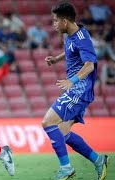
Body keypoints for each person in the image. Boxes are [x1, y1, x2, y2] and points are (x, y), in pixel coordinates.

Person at [43, 3, 109, 180]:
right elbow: (72, 50)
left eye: (56, 21)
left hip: (79, 90)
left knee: (48, 122)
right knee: (63, 133)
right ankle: (98, 160)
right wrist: (56, 59)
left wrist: (71, 81)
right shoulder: (70, 35)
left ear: (65, 21)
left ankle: (66, 168)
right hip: (78, 90)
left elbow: (89, 65)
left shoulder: (82, 38)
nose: (54, 24)